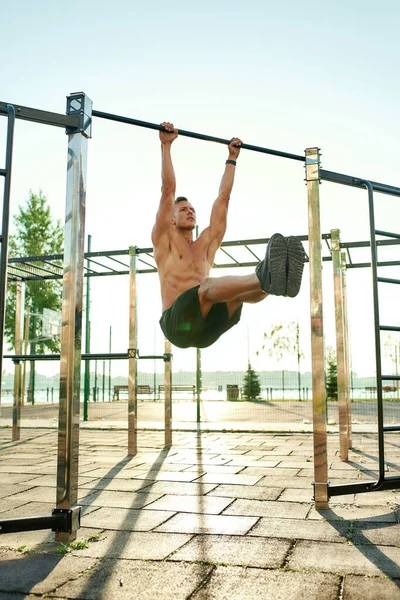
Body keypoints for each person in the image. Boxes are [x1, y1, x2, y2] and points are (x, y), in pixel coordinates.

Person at [151, 122, 305, 349]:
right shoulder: (164, 240)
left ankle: (273, 284)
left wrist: (232, 159)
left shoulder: (206, 243)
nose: (190, 211)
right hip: (177, 325)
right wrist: (166, 146)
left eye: (192, 208)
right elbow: (168, 189)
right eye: (183, 209)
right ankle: (264, 275)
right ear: (171, 219)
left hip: (206, 329)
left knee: (236, 294)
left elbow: (223, 198)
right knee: (207, 287)